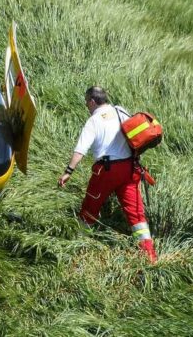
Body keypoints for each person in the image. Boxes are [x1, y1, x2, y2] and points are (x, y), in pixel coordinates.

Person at [58, 86, 157, 263]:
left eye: (87, 103)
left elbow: (80, 150)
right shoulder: (120, 111)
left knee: (89, 208)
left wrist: (68, 172)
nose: (87, 106)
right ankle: (149, 256)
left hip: (106, 171)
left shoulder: (94, 121)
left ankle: (78, 248)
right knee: (136, 215)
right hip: (129, 169)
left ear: (92, 101)